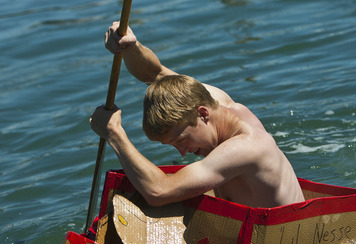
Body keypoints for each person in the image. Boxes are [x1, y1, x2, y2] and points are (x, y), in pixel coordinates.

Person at [90, 22, 304, 208]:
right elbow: (153, 73)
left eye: (180, 140)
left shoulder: (246, 147)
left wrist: (115, 134)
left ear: (202, 114)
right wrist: (129, 46)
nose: (183, 153)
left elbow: (159, 192)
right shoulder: (212, 100)